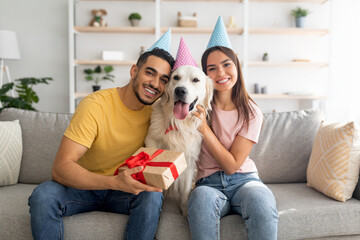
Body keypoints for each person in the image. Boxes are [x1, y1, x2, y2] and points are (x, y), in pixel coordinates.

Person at [28, 30, 175, 240]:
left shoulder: (158, 113)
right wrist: (114, 182)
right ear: (134, 71)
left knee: (152, 195)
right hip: (84, 186)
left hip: (124, 191)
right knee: (44, 195)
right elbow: (60, 169)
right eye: (150, 73)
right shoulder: (95, 105)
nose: (155, 84)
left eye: (163, 79)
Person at [187, 17, 278, 240]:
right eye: (212, 68)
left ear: (236, 65)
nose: (221, 73)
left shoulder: (252, 112)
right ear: (204, 75)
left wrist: (205, 130)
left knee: (261, 202)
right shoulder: (197, 106)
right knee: (199, 200)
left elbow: (231, 165)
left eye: (227, 64)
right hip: (207, 183)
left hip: (244, 180)